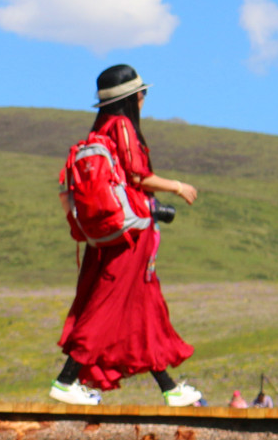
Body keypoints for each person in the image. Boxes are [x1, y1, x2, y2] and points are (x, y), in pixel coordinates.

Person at [50, 64, 202, 407]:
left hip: (106, 232)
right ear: (132, 98)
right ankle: (65, 381)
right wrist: (178, 187)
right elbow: (136, 176)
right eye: (142, 93)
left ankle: (169, 388)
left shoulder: (99, 130)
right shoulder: (122, 126)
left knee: (144, 309)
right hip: (131, 233)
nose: (145, 99)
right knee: (107, 305)